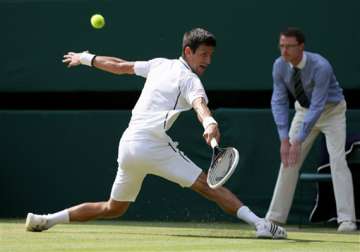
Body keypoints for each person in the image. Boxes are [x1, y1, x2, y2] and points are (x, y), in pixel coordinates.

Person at [25, 28, 286, 238]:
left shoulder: (159, 64)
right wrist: (209, 123)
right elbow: (200, 106)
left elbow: (119, 66)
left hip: (127, 146)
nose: (208, 61)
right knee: (207, 185)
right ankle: (261, 224)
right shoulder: (190, 79)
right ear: (188, 51)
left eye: (211, 55)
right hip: (152, 145)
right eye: (204, 54)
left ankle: (46, 220)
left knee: (113, 208)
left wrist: (85, 58)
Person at [266, 27, 357, 232]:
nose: (285, 51)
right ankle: (275, 218)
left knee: (337, 160)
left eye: (289, 46)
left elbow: (318, 106)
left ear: (301, 47)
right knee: (288, 160)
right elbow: (278, 100)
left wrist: (297, 140)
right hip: (303, 110)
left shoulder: (321, 66)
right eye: (282, 46)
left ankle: (347, 220)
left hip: (332, 112)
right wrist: (284, 139)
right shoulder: (279, 66)